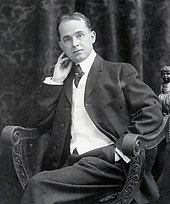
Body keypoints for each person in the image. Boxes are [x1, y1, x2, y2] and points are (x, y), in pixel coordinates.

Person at [20, 12, 163, 204]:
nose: (75, 43)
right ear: (60, 46)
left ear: (92, 37)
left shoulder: (119, 72)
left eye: (80, 35)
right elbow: (37, 121)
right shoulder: (62, 79)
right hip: (71, 164)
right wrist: (55, 81)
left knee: (38, 186)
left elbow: (152, 111)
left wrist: (120, 151)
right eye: (67, 39)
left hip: (110, 165)